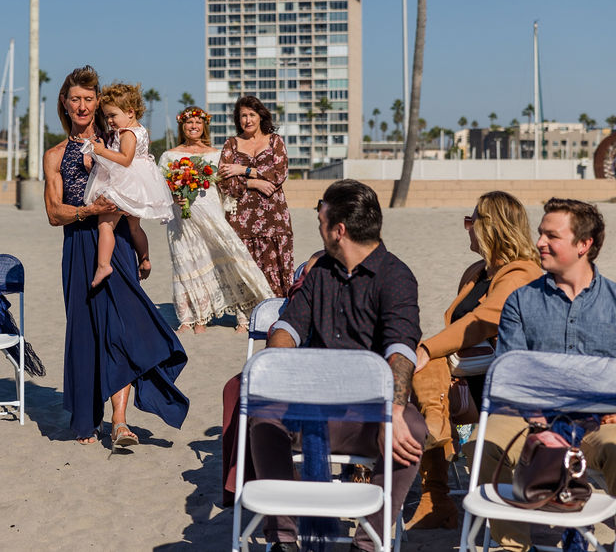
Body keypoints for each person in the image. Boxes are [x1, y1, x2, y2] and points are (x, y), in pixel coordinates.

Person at [248, 180, 427, 552]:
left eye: (321, 220)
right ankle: (283, 538)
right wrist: (277, 364)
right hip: (312, 407)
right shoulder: (320, 274)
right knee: (264, 417)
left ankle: (368, 541)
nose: (319, 226)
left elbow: (401, 348)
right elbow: (288, 327)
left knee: (411, 429)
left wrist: (391, 413)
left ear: (338, 230)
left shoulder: (395, 277)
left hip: (368, 414)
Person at [44, 65, 189, 447]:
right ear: (64, 102)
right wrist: (90, 212)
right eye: (75, 98)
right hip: (78, 243)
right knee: (85, 330)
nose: (82, 105)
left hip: (118, 239)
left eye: (89, 99)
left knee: (121, 327)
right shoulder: (55, 155)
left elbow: (137, 170)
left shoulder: (118, 135)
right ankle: (86, 418)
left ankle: (120, 421)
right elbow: (53, 213)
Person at [470, 198, 616, 552]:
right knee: (484, 443)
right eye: (540, 233)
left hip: (601, 419)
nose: (539, 243)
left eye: (552, 236)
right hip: (530, 417)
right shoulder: (521, 301)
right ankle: (512, 546)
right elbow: (512, 373)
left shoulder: (613, 303)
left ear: (584, 245)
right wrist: (535, 418)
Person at [406, 191, 541, 530]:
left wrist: (428, 350)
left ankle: (434, 496)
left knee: (422, 358)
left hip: (502, 386)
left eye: (471, 221)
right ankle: (434, 495)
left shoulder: (522, 274)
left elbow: (482, 321)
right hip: (468, 377)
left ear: (492, 228)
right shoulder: (475, 272)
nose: (467, 228)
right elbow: (457, 329)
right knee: (419, 372)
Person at [158, 106, 272, 333]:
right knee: (187, 262)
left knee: (229, 257)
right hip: (183, 220)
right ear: (182, 126)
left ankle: (245, 316)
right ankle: (194, 318)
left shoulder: (216, 154)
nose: (193, 126)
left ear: (204, 126)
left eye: (198, 123)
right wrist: (174, 197)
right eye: (189, 122)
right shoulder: (169, 156)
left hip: (212, 215)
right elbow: (159, 188)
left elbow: (226, 186)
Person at [82, 82, 173, 287]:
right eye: (106, 116)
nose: (110, 121)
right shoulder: (139, 130)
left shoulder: (128, 133)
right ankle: (144, 258)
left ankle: (103, 264)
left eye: (113, 115)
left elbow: (125, 159)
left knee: (105, 224)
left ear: (130, 112)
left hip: (126, 183)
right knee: (134, 228)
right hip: (139, 183)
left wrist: (100, 150)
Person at [217, 95, 294, 298]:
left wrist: (243, 170)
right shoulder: (231, 144)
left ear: (261, 116)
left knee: (276, 264)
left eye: (252, 114)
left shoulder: (275, 141)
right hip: (242, 216)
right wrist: (255, 182)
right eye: (243, 116)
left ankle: (278, 307)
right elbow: (224, 182)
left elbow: (279, 174)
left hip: (274, 216)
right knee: (245, 263)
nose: (248, 120)